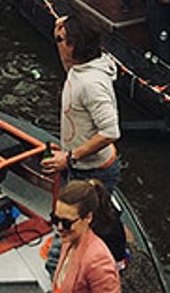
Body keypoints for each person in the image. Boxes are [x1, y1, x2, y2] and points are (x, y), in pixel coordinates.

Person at [43, 18, 126, 263]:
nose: (57, 44)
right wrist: (58, 33)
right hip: (83, 166)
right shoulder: (80, 68)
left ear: (72, 46)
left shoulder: (91, 84)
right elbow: (68, 65)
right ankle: (118, 256)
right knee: (104, 216)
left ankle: (58, 275)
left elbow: (111, 131)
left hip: (91, 170)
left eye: (60, 40)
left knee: (64, 237)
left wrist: (69, 157)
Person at [51, 178, 122, 293]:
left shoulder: (98, 261)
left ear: (88, 217)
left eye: (67, 223)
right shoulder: (69, 239)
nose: (59, 227)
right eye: (55, 219)